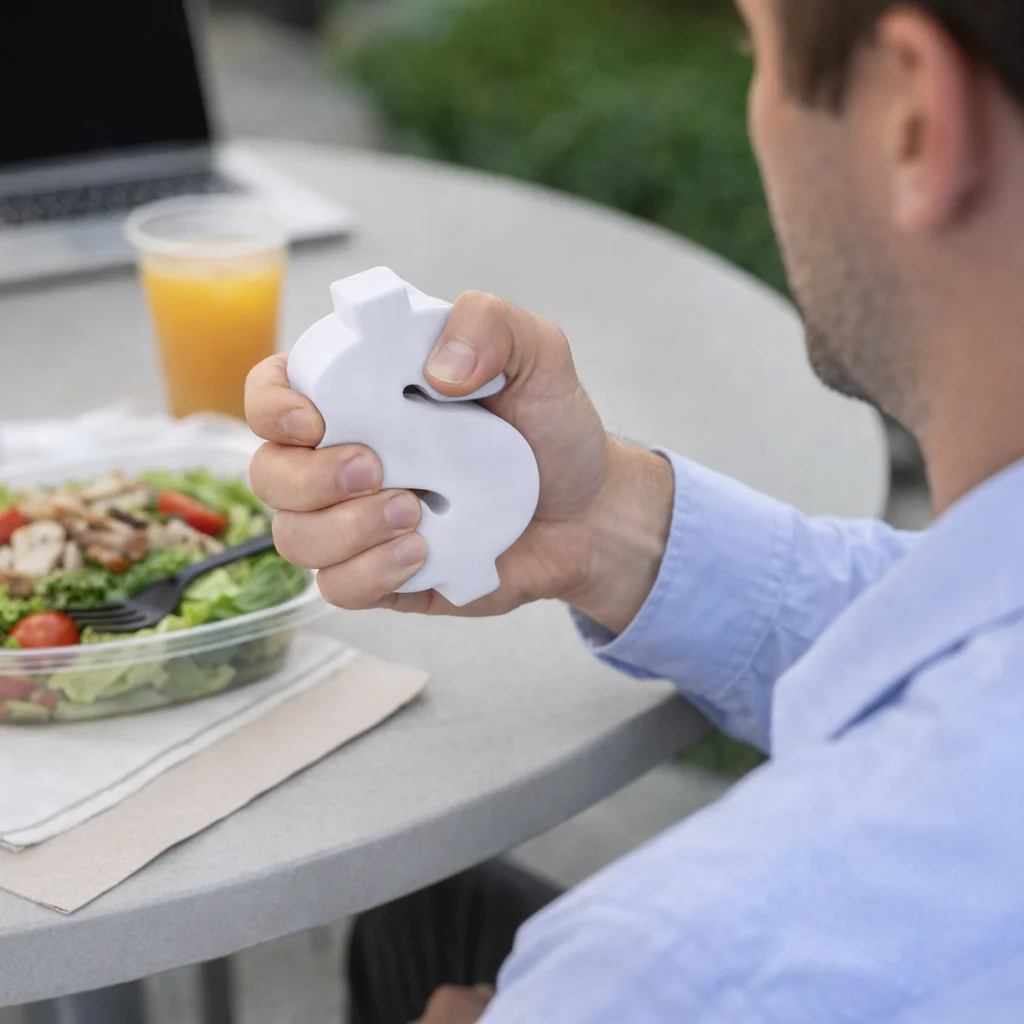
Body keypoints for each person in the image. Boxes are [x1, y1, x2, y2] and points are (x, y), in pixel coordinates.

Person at [244, 0, 1024, 1018]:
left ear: (911, 119)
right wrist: (603, 520)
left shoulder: (664, 971)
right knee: (431, 916)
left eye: (756, 47)